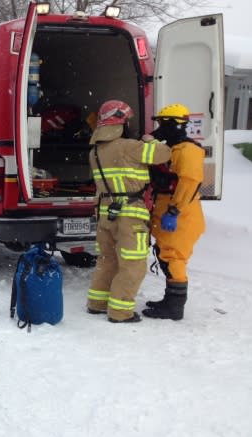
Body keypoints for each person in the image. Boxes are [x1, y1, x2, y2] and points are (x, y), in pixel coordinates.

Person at [86, 100, 171, 323]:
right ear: (120, 124)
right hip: (129, 215)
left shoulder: (95, 151)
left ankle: (97, 303)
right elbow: (163, 154)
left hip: (105, 213)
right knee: (133, 266)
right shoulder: (128, 146)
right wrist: (152, 141)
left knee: (107, 261)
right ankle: (120, 312)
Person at [142, 103, 206, 320]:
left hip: (181, 213)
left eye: (162, 123)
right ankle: (169, 301)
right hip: (168, 209)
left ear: (172, 124)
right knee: (165, 256)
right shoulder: (173, 149)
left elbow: (189, 183)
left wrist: (174, 210)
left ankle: (174, 308)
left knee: (173, 259)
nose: (159, 128)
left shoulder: (188, 150)